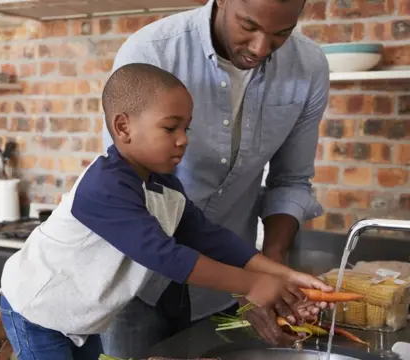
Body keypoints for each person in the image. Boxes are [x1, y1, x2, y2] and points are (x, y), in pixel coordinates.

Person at [0, 63, 333, 360]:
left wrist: (281, 275)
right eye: (170, 128)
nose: (183, 139)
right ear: (123, 127)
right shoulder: (104, 186)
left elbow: (208, 237)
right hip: (37, 312)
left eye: (185, 128)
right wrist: (252, 284)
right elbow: (165, 256)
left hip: (76, 319)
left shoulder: (164, 187)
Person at [100, 0, 331, 356]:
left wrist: (273, 269)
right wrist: (251, 282)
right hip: (134, 287)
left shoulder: (309, 67)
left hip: (219, 293)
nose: (261, 48)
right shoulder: (151, 52)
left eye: (281, 33)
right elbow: (152, 231)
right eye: (249, 27)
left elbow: (290, 182)